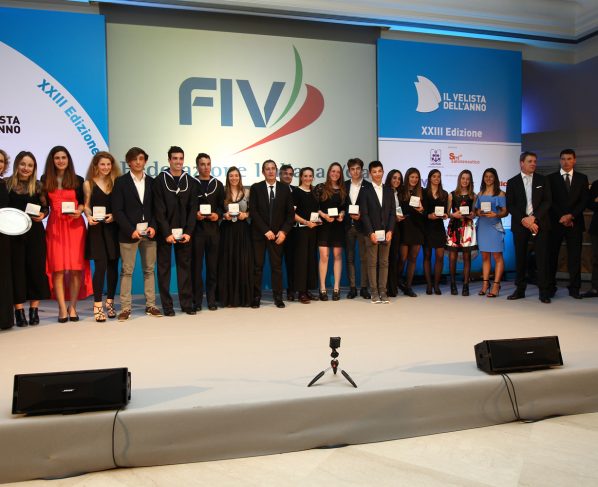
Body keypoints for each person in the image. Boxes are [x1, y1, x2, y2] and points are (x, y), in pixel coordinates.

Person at [42, 145, 92, 322]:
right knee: (58, 270)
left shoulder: (78, 180)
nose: (61, 161)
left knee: (76, 269)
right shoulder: (44, 180)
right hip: (55, 228)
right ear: (52, 160)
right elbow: (44, 206)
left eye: (64, 157)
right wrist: (41, 214)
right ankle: (62, 308)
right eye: (57, 158)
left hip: (75, 227)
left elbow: (83, 203)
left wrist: (80, 210)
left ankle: (73, 307)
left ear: (68, 160)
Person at [112, 147, 162, 320]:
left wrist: (154, 226)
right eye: (134, 159)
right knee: (127, 271)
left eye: (141, 159)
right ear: (129, 162)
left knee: (149, 270)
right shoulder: (121, 182)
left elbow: (157, 208)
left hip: (149, 234)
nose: (138, 162)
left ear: (145, 161)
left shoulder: (153, 182)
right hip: (128, 234)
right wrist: (130, 230)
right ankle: (125, 308)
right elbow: (117, 210)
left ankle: (151, 305)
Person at [7, 151, 50, 326]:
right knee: (16, 271)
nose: (26, 168)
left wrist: (43, 215)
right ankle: (19, 311)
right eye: (23, 164)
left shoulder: (39, 186)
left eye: (30, 165)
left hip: (35, 234)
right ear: (17, 165)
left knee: (36, 270)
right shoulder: (6, 184)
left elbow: (46, 208)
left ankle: (34, 310)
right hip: (13, 234)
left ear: (34, 168)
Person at [153, 146, 198, 316]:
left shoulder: (191, 182)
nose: (178, 161)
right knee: (164, 269)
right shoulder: (159, 180)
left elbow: (193, 209)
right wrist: (166, 233)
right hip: (165, 233)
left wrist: (189, 232)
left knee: (184, 268)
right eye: (175, 158)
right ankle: (167, 306)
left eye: (180, 158)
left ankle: (186, 304)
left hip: (184, 232)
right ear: (169, 160)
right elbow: (158, 209)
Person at [506, 151, 552, 303]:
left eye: (535, 161)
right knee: (520, 258)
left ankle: (544, 292)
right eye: (530, 161)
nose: (533, 164)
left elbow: (547, 201)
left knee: (542, 259)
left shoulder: (543, 180)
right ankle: (520, 290)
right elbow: (510, 205)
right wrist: (524, 220)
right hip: (520, 225)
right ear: (522, 163)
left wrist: (534, 218)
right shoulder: (512, 182)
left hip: (540, 224)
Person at [249, 159, 294, 308]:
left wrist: (283, 232)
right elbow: (253, 211)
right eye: (267, 169)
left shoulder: (285, 189)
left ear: (276, 171)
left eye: (273, 168)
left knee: (277, 267)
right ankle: (256, 296)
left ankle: (278, 297)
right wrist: (265, 230)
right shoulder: (256, 188)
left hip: (278, 236)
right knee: (257, 267)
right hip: (259, 234)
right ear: (263, 172)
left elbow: (290, 215)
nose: (270, 171)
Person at [83, 151, 121, 322]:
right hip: (96, 229)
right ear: (96, 165)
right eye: (102, 164)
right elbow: (86, 206)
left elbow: (120, 206)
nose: (105, 167)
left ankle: (110, 303)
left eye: (108, 164)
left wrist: (114, 216)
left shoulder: (116, 183)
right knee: (100, 268)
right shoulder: (88, 184)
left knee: (113, 267)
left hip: (113, 229)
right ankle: (97, 305)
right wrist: (88, 216)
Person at [547, 149, 589, 299]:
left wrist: (571, 216)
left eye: (569, 159)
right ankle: (550, 287)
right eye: (563, 159)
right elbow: (549, 200)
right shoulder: (550, 178)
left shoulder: (582, 178)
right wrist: (562, 216)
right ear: (560, 160)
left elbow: (584, 201)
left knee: (575, 257)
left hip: (575, 223)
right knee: (552, 256)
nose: (566, 162)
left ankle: (575, 288)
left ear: (574, 160)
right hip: (555, 223)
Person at [359, 161, 396, 303]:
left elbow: (392, 213)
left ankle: (383, 292)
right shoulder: (365, 190)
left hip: (386, 233)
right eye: (374, 172)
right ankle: (374, 293)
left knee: (384, 262)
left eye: (379, 171)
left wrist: (390, 230)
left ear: (383, 172)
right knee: (372, 263)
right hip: (371, 234)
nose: (377, 174)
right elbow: (364, 214)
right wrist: (370, 233)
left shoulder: (389, 190)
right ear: (370, 174)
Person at [192, 153, 224, 311]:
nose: (206, 167)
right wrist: (194, 214)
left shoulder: (218, 184)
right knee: (196, 268)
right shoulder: (191, 183)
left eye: (208, 164)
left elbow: (221, 206)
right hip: (196, 232)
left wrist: (217, 215)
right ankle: (196, 301)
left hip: (213, 232)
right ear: (197, 166)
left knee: (212, 268)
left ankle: (211, 299)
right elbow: (187, 206)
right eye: (202, 164)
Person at [218, 166, 253, 307]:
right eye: (231, 175)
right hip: (227, 231)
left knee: (242, 263)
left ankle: (242, 298)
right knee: (228, 262)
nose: (234, 178)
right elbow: (218, 209)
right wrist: (223, 215)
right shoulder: (223, 192)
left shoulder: (247, 192)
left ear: (240, 177)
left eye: (236, 175)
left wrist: (246, 214)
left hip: (243, 230)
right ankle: (228, 299)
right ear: (228, 177)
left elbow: (254, 211)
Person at [315, 162, 347, 301]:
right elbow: (314, 206)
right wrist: (323, 215)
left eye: (338, 172)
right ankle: (322, 288)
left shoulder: (343, 189)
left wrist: (342, 214)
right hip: (324, 226)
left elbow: (344, 207)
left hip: (338, 226)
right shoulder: (320, 187)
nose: (335, 174)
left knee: (337, 255)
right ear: (329, 172)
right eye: (333, 171)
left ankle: (336, 288)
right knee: (324, 256)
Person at [475, 168, 507, 298]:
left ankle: (496, 285)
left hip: (494, 226)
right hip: (483, 226)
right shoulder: (480, 193)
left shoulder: (500, 194)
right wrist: (479, 213)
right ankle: (485, 284)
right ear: (483, 178)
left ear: (495, 178)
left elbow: (505, 212)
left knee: (497, 256)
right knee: (485, 257)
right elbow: (476, 211)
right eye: (486, 176)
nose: (488, 179)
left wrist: (496, 214)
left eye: (491, 176)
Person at [446, 169, 477, 296]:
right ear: (459, 179)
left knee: (466, 257)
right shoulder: (451, 195)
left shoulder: (473, 196)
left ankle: (465, 285)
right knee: (452, 257)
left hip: (467, 228)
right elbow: (447, 213)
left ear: (470, 181)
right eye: (463, 178)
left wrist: (472, 215)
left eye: (468, 179)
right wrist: (454, 215)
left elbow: (474, 213)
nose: (465, 181)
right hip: (454, 227)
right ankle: (453, 284)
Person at [344, 158, 372, 299]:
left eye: (358, 169)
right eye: (352, 169)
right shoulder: (344, 186)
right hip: (347, 227)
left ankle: (364, 288)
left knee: (364, 258)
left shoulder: (369, 186)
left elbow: (372, 207)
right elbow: (341, 205)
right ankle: (353, 288)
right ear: (349, 171)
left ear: (362, 170)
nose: (355, 171)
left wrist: (362, 216)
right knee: (349, 258)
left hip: (363, 227)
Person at [292, 167, 320, 303]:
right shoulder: (296, 192)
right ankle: (301, 292)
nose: (308, 178)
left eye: (310, 176)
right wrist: (305, 222)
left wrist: (318, 220)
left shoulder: (314, 192)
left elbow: (316, 211)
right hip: (301, 231)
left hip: (313, 231)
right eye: (305, 176)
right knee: (301, 261)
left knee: (310, 260)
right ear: (301, 177)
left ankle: (308, 290)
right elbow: (292, 214)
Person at [398, 167, 425, 297]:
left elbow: (426, 212)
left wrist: (422, 209)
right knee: (403, 258)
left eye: (416, 177)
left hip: (418, 228)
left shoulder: (422, 192)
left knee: (413, 258)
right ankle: (396, 281)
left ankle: (408, 287)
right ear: (407, 177)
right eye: (412, 177)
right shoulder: (401, 191)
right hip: (404, 227)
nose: (414, 179)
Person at [423, 169, 448, 295]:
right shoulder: (423, 192)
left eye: (438, 176)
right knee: (427, 256)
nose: (436, 178)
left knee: (440, 256)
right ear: (429, 178)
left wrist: (445, 215)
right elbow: (421, 212)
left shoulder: (444, 193)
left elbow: (446, 212)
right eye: (434, 176)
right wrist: (429, 216)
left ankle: (436, 285)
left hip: (439, 228)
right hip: (427, 227)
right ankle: (429, 284)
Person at [0, 149, 15, 330]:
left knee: (3, 275)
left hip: (3, 236)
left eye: (2, 161)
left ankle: (4, 319)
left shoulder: (5, 184)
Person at [279, 164, 296, 301]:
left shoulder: (296, 190)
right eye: (285, 173)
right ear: (280, 175)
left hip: (292, 232)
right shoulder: (274, 189)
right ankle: (278, 292)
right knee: (276, 264)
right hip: (277, 232)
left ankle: (292, 290)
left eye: (290, 174)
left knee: (292, 263)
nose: (288, 176)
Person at [385, 169, 403, 297]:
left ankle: (392, 287)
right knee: (385, 259)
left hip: (397, 228)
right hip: (386, 228)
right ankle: (385, 287)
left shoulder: (399, 193)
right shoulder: (385, 192)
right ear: (389, 178)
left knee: (394, 257)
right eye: (394, 178)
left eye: (399, 179)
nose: (397, 180)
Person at [584, 178, 598, 298]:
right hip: (597, 228)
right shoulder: (596, 184)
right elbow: (589, 203)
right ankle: (595, 288)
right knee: (596, 259)